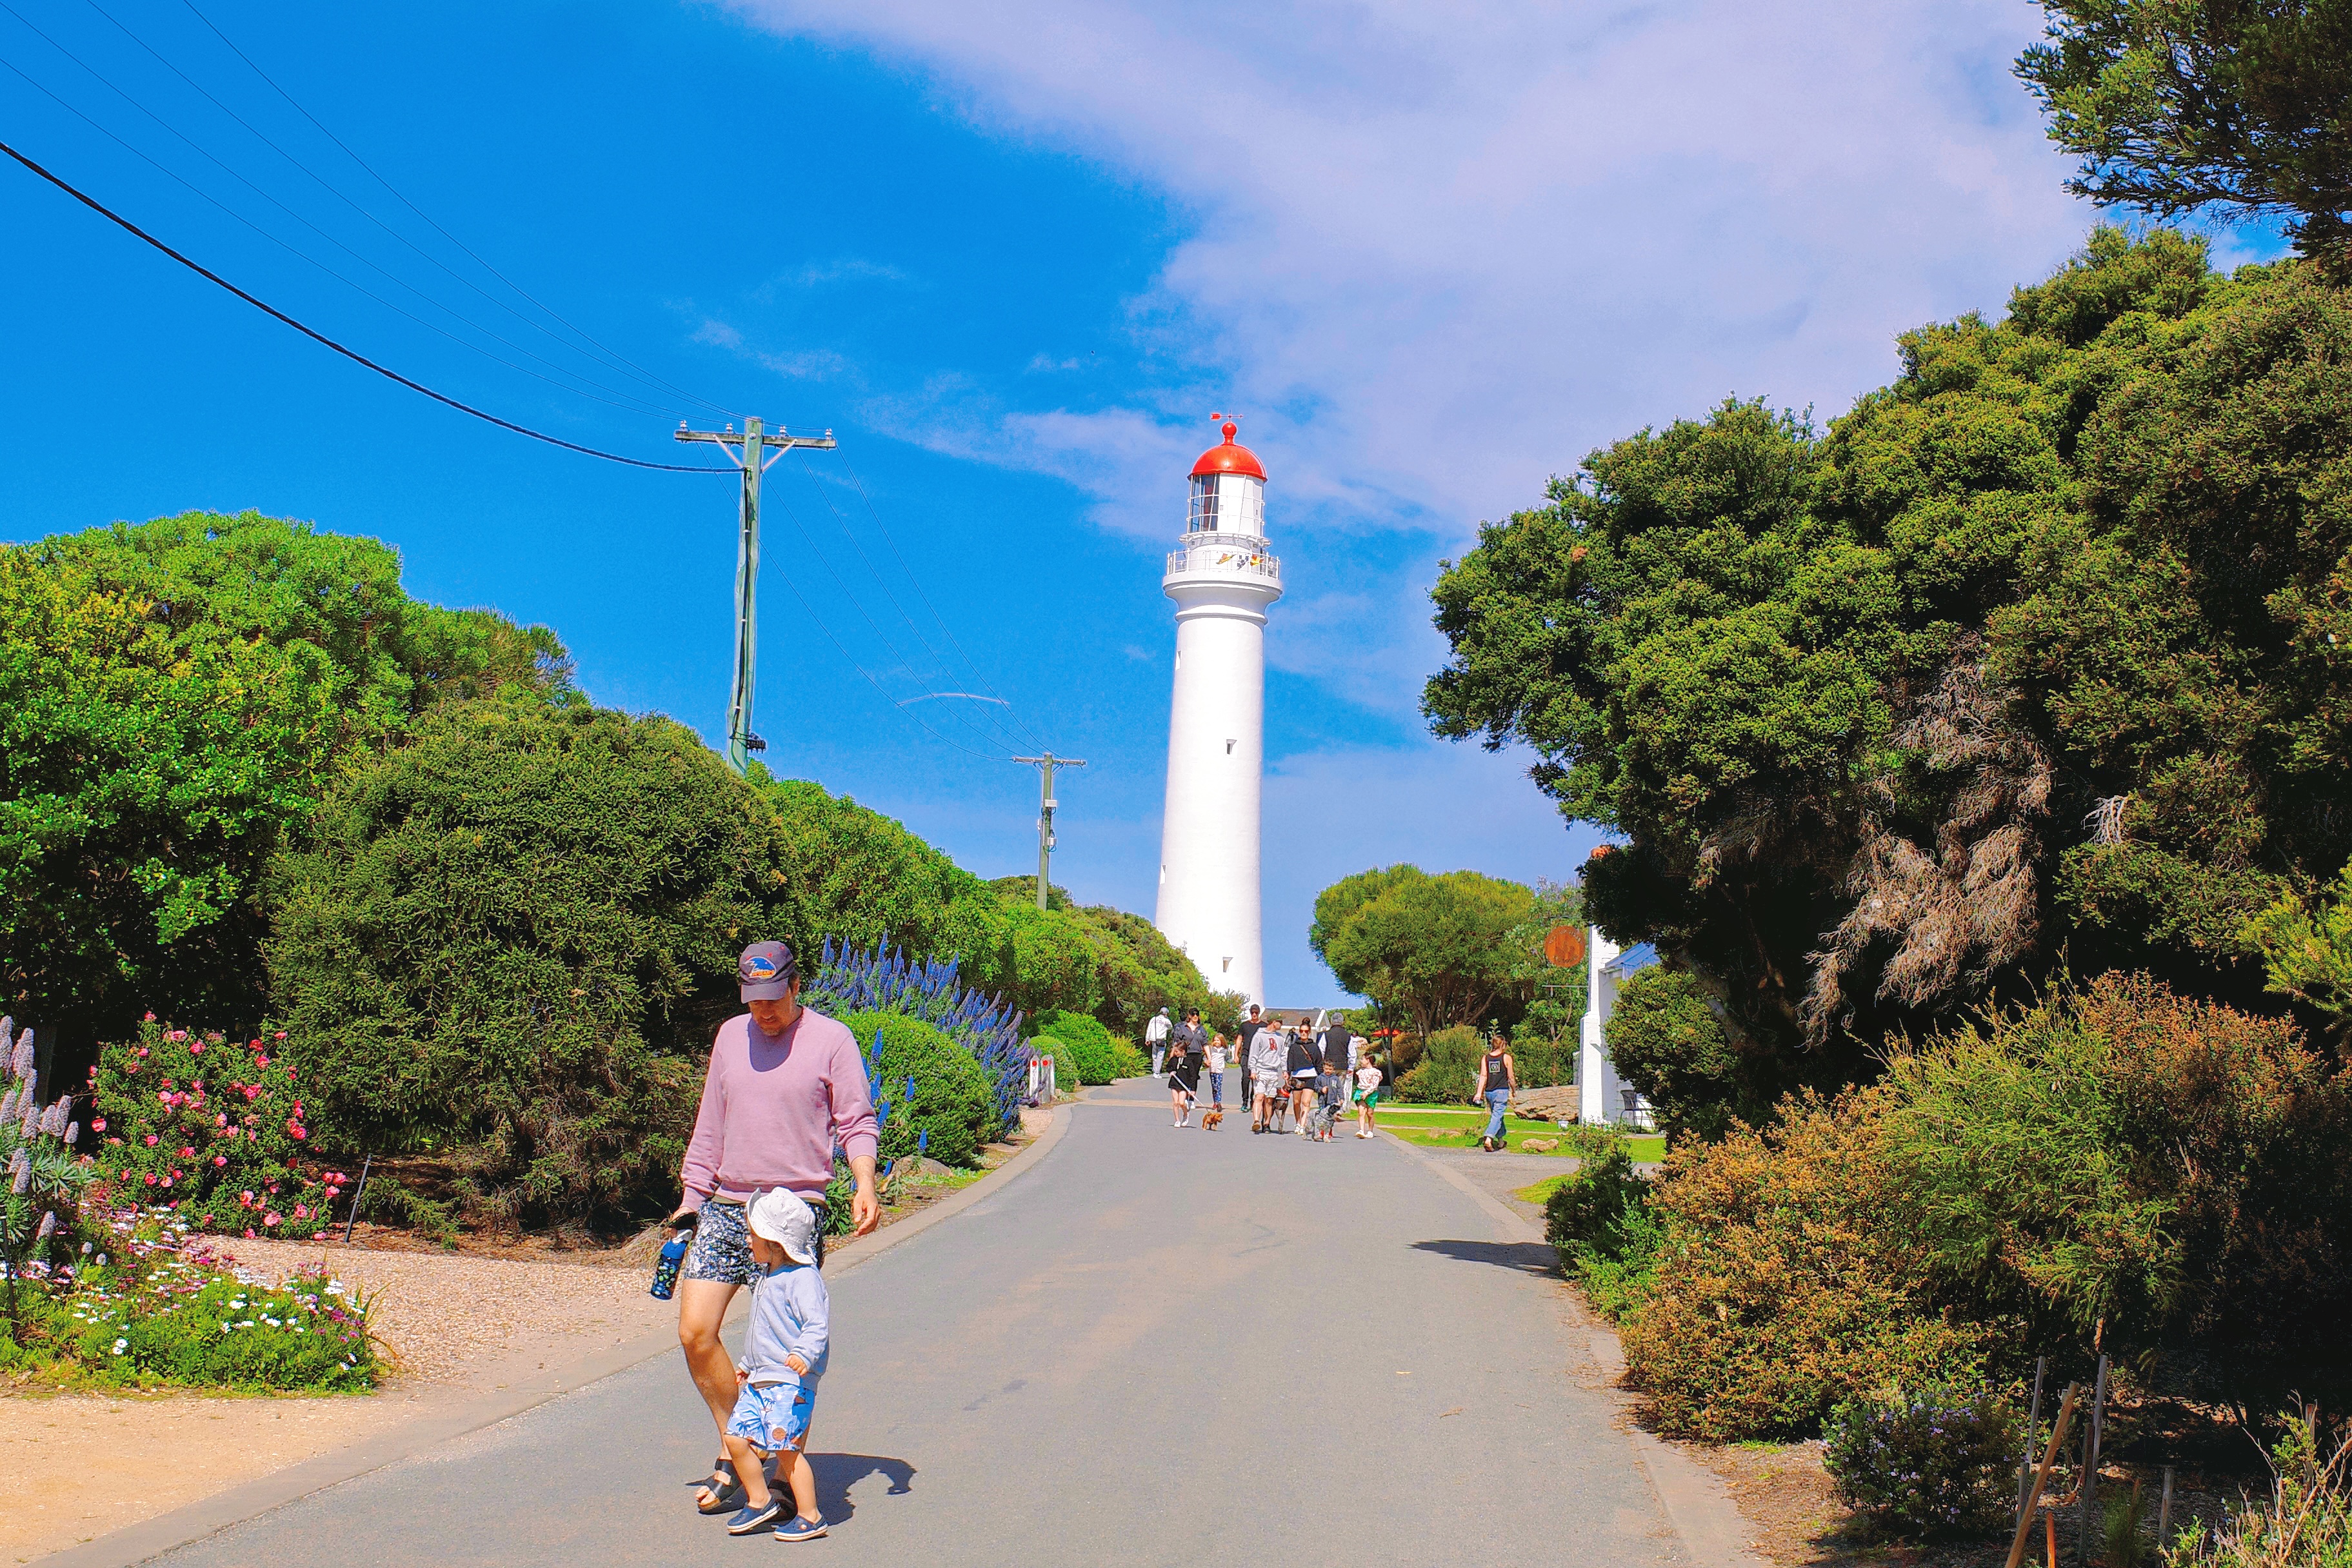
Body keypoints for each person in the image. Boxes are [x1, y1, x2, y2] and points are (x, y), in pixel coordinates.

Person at [672, 941, 879, 1514]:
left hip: (792, 1212)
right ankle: (737, 1442)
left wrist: (864, 1182)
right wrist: (692, 1200)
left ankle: (778, 1466)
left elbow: (856, 1119)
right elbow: (709, 1122)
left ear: (795, 985)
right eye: (752, 999)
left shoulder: (832, 1039)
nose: (762, 1011)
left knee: (785, 1353)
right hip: (728, 1202)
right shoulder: (729, 1036)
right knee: (695, 1332)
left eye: (771, 998)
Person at [717, 1188, 832, 1541]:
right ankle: (761, 1499)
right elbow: (761, 1330)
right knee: (737, 1439)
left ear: (774, 1242)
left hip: (790, 1381)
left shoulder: (803, 1278)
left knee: (786, 1450)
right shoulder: (767, 1276)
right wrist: (747, 1363)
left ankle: (811, 1516)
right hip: (760, 1377)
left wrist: (803, 1354)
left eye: (753, 1235)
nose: (748, 1241)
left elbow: (817, 1325)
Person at [1475, 1033, 1517, 1152]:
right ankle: (1488, 1138)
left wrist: (1479, 1093)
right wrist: (1514, 1090)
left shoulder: (1485, 1058)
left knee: (1498, 1116)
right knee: (1497, 1116)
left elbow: (1483, 1076)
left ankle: (1501, 1142)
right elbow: (1511, 1077)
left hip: (1489, 1092)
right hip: (1501, 1091)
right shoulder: (1506, 1057)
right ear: (1503, 1044)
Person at [1245, 1008, 1283, 1133]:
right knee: (1259, 1096)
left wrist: (1285, 1070)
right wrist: (1253, 1070)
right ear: (1273, 1022)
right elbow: (1254, 1054)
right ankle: (1256, 1121)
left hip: (1273, 1072)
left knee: (1269, 1099)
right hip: (1261, 1071)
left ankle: (1267, 1123)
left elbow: (1283, 1055)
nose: (1281, 1024)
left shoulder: (1280, 1038)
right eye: (1280, 1022)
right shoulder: (1259, 1036)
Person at [1316, 1018, 1351, 1142]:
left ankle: (1326, 1119)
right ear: (1342, 1022)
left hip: (1328, 1066)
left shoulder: (1326, 1035)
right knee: (1337, 1091)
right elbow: (1352, 1053)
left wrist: (1324, 1065)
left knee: (1328, 1093)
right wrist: (1351, 1067)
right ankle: (1336, 1111)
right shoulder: (1348, 1036)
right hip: (1342, 1066)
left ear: (1332, 1022)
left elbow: (1321, 1049)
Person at [1287, 1025, 1321, 1136]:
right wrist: (1288, 1073)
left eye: (1306, 1031)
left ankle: (1303, 1124)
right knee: (1296, 1102)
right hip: (1297, 1076)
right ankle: (1297, 1122)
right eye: (1301, 1031)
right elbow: (1289, 1061)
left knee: (1306, 1102)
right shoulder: (1294, 1047)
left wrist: (1321, 1077)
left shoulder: (1314, 1047)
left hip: (1311, 1076)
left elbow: (1319, 1062)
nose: (1304, 1033)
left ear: (1309, 1032)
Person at [1166, 1024, 1201, 1127]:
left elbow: (1193, 1076)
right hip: (1174, 1083)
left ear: (1183, 1052)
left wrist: (1192, 1088)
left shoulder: (1189, 1062)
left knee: (1182, 1103)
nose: (1175, 1053)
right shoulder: (1174, 1060)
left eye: (1177, 1051)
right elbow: (1168, 1067)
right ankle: (1177, 1120)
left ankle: (1186, 1115)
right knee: (1175, 1103)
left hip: (1183, 1085)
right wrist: (1171, 1072)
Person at [1353, 1052, 1382, 1138]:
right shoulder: (1360, 1072)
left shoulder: (1375, 1072)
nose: (1361, 1061)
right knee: (1361, 1112)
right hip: (1360, 1092)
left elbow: (1375, 1085)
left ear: (1368, 1060)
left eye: (1363, 1059)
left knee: (1370, 1113)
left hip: (1371, 1094)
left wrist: (1367, 1093)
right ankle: (1361, 1130)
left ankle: (1370, 1130)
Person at [1145, 1006, 1173, 1077]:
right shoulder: (1166, 1020)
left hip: (1153, 1039)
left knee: (1154, 1055)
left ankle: (1154, 1070)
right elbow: (1171, 1027)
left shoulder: (1153, 1019)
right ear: (1166, 1013)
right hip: (1161, 1040)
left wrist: (1147, 1039)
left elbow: (1149, 1029)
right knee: (1160, 1055)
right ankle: (1157, 1072)